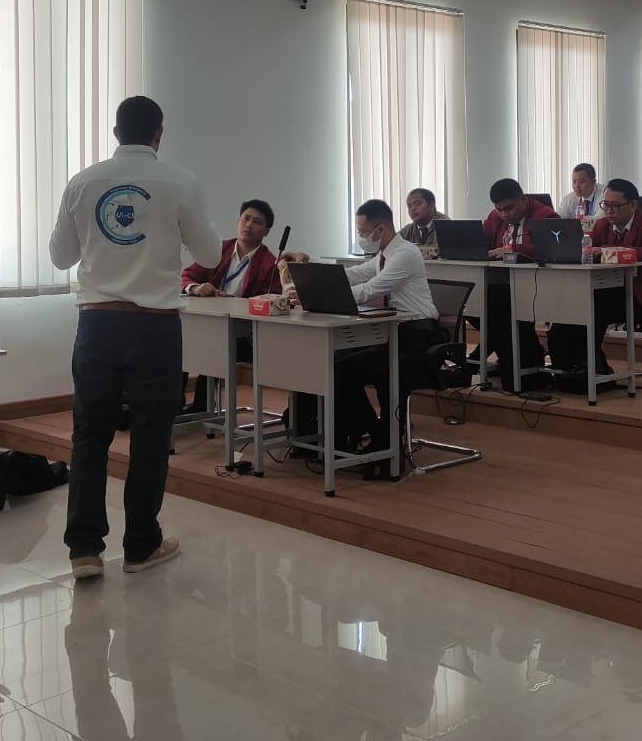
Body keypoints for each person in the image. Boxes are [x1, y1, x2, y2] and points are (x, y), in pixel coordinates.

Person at [50, 95, 222, 580]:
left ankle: (84, 549)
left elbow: (60, 257)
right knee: (150, 437)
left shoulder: (83, 182)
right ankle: (141, 545)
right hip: (155, 326)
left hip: (97, 324)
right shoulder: (181, 181)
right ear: (158, 134)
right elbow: (210, 255)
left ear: (115, 132)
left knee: (89, 435)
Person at [282, 200, 441, 470]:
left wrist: (318, 293)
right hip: (389, 331)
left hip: (417, 334)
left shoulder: (405, 253)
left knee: (344, 371)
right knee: (334, 364)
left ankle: (380, 438)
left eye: (363, 231)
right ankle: (366, 434)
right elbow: (352, 275)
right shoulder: (382, 255)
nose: (360, 236)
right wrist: (310, 268)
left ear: (381, 228)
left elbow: (370, 289)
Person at [549, 179, 642, 375]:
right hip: (609, 289)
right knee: (572, 302)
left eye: (615, 206)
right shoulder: (601, 225)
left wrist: (608, 250)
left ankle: (590, 363)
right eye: (605, 205)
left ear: (632, 205)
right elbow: (587, 249)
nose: (609, 211)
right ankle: (565, 363)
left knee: (595, 303)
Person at [179, 199, 281, 412]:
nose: (249, 225)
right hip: (209, 323)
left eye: (257, 222)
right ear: (238, 221)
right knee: (180, 339)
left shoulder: (270, 264)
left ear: (266, 231)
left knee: (211, 342)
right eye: (246, 219)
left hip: (244, 334)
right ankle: (173, 403)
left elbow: (272, 300)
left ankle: (202, 406)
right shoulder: (219, 250)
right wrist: (195, 287)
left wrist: (234, 302)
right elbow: (187, 276)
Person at [480, 178, 559, 393]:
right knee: (481, 304)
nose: (504, 214)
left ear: (523, 200)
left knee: (498, 306)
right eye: (499, 209)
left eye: (509, 208)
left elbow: (552, 247)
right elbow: (482, 241)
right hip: (504, 283)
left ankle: (519, 367)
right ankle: (518, 363)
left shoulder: (545, 216)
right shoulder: (495, 217)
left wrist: (513, 248)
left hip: (539, 285)